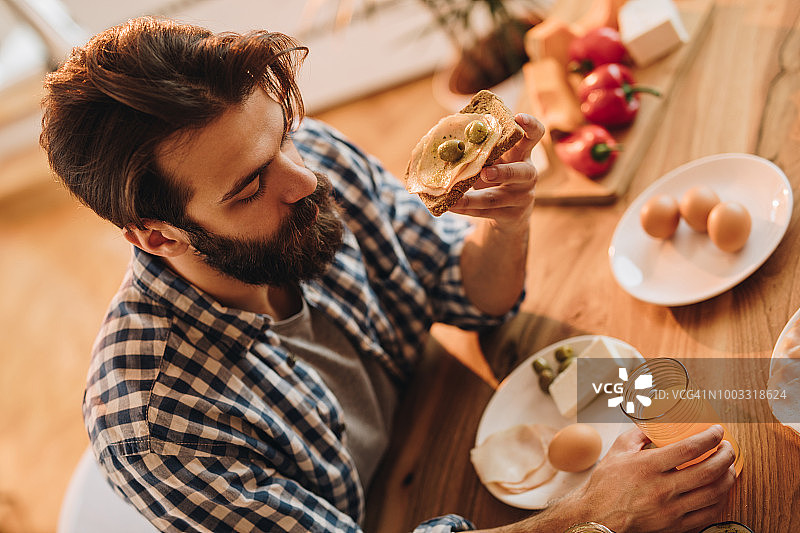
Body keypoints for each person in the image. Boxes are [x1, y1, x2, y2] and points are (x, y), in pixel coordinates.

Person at [39, 16, 736, 533]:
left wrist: (509, 219)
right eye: (250, 186)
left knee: (740, 392)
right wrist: (591, 515)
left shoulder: (308, 162)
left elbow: (470, 291)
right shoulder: (157, 423)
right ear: (157, 235)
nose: (306, 178)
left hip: (446, 438)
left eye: (280, 134)